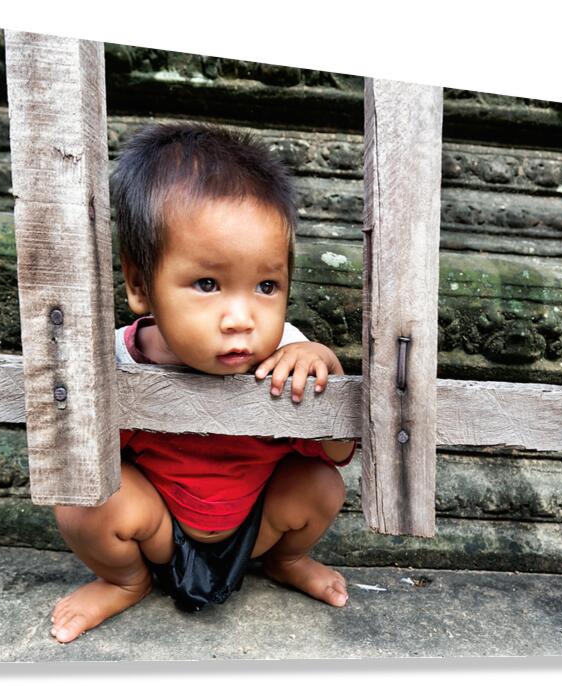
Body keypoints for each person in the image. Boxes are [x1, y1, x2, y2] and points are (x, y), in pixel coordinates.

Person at [50, 122, 356, 644]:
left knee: (320, 485)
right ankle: (124, 581)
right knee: (84, 499)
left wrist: (325, 364)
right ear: (140, 286)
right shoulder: (116, 359)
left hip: (256, 528)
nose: (240, 317)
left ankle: (289, 560)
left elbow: (340, 447)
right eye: (208, 284)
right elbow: (75, 449)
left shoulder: (289, 352)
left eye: (266, 285)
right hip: (158, 532)